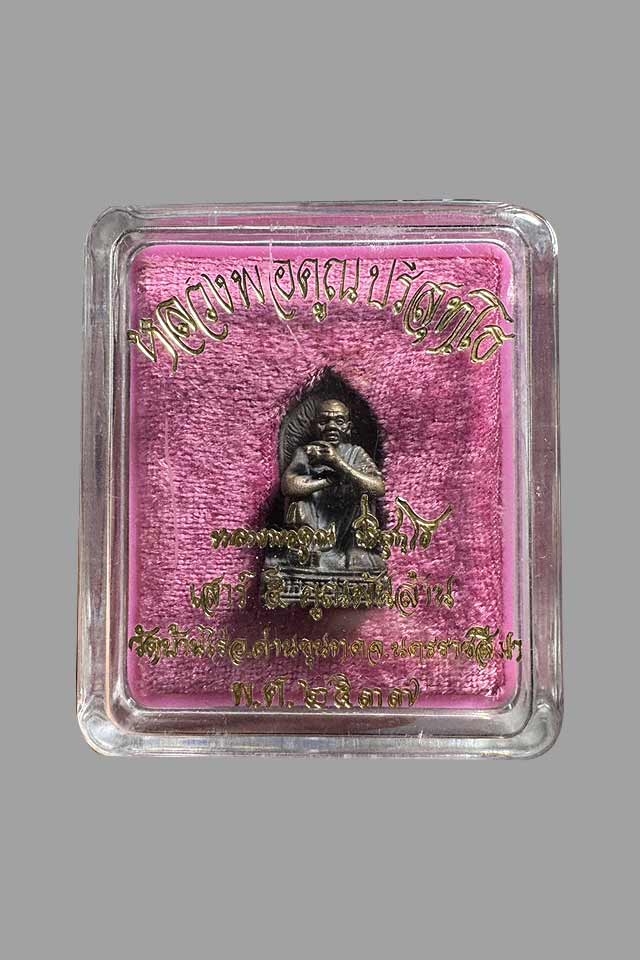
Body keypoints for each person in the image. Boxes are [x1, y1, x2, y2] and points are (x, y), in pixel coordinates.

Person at [280, 398, 385, 572]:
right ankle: (307, 550)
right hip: (315, 524)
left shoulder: (356, 453)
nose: (332, 427)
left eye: (339, 421)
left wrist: (338, 463)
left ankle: (356, 549)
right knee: (298, 500)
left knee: (363, 492)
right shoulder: (306, 453)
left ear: (348, 427)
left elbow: (378, 488)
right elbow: (288, 486)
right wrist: (326, 481)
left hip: (347, 523)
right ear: (314, 426)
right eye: (324, 421)